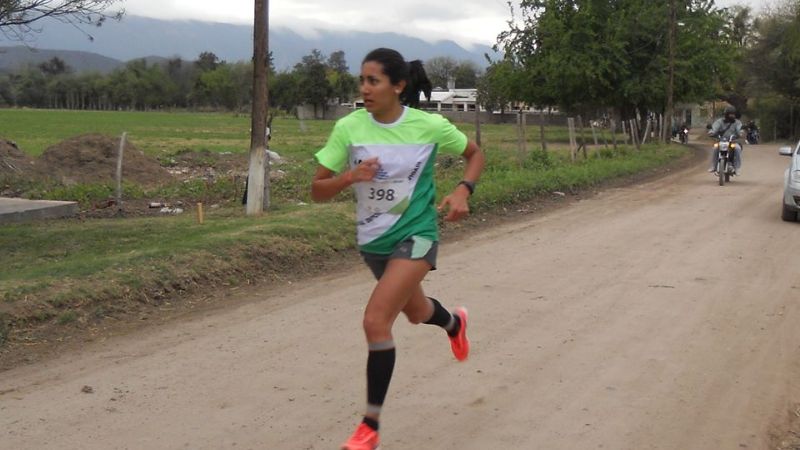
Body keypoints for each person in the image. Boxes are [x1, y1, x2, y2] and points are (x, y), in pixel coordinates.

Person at [310, 48, 486, 450]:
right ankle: (454, 324)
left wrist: (463, 188)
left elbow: (475, 154)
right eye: (362, 80)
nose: (364, 89)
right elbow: (317, 191)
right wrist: (350, 177)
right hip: (374, 241)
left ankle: (369, 427)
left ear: (398, 85)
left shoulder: (428, 126)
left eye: (373, 81)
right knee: (416, 312)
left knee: (376, 321)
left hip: (417, 234)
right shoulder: (349, 128)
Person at [707, 105, 743, 175]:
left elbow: (739, 130)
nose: (732, 116)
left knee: (737, 149)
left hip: (733, 142)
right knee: (715, 148)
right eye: (731, 114)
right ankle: (714, 166)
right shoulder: (719, 121)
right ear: (726, 114)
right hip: (721, 141)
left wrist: (741, 133)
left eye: (733, 114)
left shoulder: (737, 122)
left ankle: (737, 168)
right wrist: (712, 132)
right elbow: (714, 128)